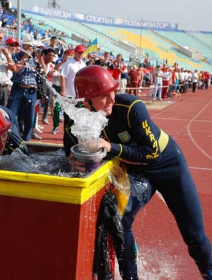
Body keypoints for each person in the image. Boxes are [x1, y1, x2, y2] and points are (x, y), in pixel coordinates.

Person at [64, 65, 212, 280]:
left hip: (168, 165)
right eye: (103, 96)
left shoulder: (131, 106)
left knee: (194, 235)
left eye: (113, 92)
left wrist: (111, 147)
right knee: (118, 218)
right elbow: (69, 151)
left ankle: (208, 271)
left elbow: (150, 152)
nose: (112, 99)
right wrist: (72, 159)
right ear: (86, 100)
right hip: (135, 171)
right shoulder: (75, 117)